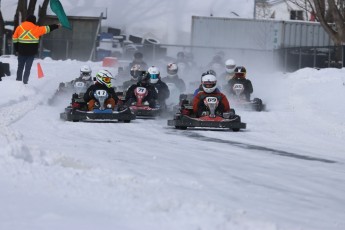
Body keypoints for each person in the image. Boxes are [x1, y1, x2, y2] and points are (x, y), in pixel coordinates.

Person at [12, 15, 61, 84]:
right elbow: (47, 28)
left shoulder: (19, 27)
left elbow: (14, 38)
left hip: (21, 52)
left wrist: (16, 49)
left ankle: (18, 81)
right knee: (28, 68)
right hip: (31, 53)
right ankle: (25, 82)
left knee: (20, 67)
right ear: (33, 21)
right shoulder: (36, 28)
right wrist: (56, 26)